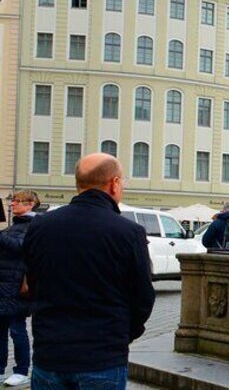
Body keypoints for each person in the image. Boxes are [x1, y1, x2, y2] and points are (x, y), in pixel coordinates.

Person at [22, 153, 155, 389]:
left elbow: (32, 283)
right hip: (102, 355)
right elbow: (142, 297)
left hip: (50, 352)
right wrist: (123, 335)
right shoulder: (128, 232)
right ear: (114, 183)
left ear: (79, 184)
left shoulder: (41, 225)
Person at [0, 191, 40, 386]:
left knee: (17, 330)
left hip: (17, 287)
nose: (13, 204)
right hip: (3, 285)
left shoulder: (34, 226)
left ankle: (22, 370)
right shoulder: (14, 225)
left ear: (31, 204)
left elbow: (21, 246)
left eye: (17, 201)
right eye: (12, 200)